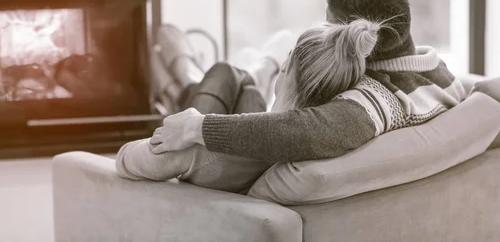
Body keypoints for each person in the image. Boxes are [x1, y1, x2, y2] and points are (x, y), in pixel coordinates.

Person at [147, 0, 467, 163]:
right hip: (263, 114)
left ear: (353, 35)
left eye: (329, 26)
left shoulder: (377, 101)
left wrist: (195, 127)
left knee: (225, 74)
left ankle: (186, 83)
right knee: (234, 76)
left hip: (237, 167)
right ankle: (193, 82)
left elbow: (306, 131)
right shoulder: (439, 72)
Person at [116, 18, 382, 193]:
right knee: (247, 88)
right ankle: (241, 75)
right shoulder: (313, 144)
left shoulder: (197, 154)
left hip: (210, 175)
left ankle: (185, 84)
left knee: (223, 71)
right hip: (243, 158)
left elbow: (124, 160)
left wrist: (184, 128)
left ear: (287, 63)